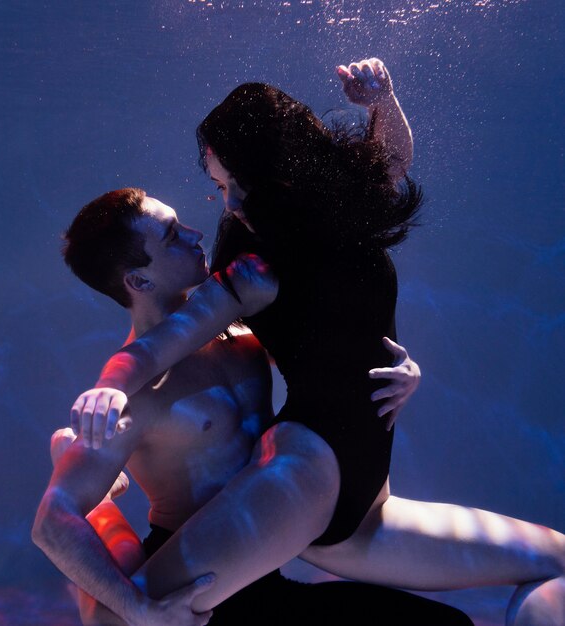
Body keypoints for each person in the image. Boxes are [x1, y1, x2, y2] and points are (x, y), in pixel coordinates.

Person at [67, 60, 565, 625]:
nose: (227, 206)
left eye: (234, 184)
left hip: (368, 496)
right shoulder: (248, 262)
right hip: (304, 474)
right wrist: (108, 389)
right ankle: (104, 517)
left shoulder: (347, 211)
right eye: (219, 188)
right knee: (121, 618)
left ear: (277, 169)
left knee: (557, 563)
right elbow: (159, 346)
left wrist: (385, 101)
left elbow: (394, 158)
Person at [33, 188, 473, 626]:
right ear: (140, 281)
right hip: (191, 584)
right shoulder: (137, 395)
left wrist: (404, 373)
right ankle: (99, 500)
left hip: (263, 575)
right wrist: (140, 609)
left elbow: (336, 373)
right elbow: (52, 522)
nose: (195, 233)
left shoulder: (244, 330)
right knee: (108, 621)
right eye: (171, 236)